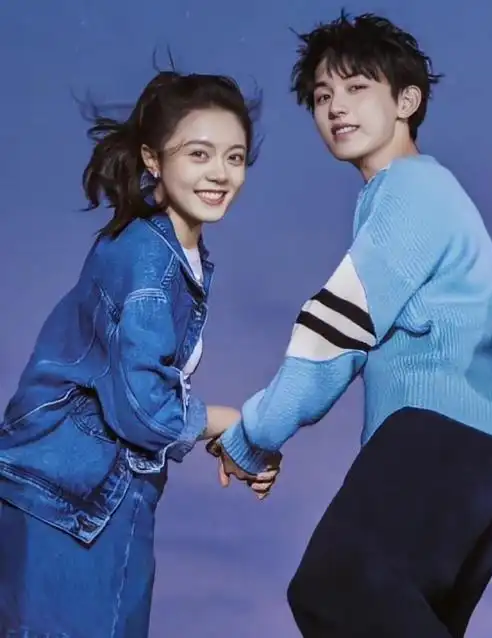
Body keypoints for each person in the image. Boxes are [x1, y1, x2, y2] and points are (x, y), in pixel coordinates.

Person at [208, 12, 492, 638]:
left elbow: (335, 330)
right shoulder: (422, 197)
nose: (336, 107)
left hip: (437, 439)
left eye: (358, 87)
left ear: (406, 102)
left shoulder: (414, 188)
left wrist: (256, 432)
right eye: (322, 96)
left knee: (331, 589)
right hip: (478, 460)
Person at [0, 69, 275, 637]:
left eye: (235, 157)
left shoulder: (169, 252)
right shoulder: (149, 261)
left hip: (75, 495)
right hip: (71, 504)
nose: (220, 173)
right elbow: (142, 405)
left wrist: (218, 437)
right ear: (153, 158)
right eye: (199, 154)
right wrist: (228, 422)